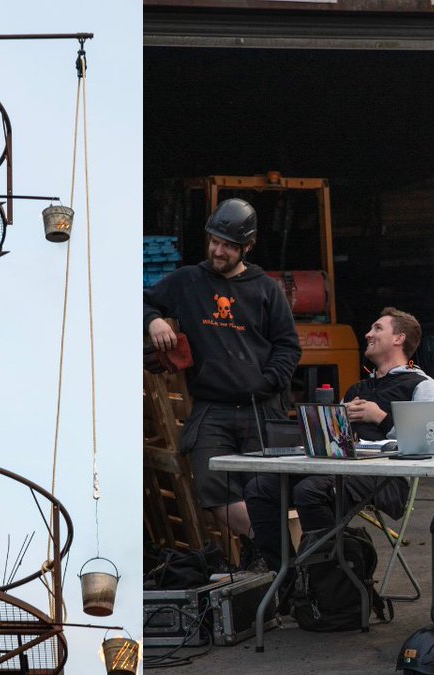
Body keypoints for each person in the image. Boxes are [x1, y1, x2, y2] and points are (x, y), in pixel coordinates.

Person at [143, 198, 301, 561]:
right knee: (211, 489)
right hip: (212, 410)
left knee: (266, 490)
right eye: (214, 241)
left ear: (247, 246)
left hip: (261, 410)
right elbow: (141, 301)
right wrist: (153, 320)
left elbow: (288, 347)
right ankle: (275, 554)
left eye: (227, 245)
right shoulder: (189, 281)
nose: (217, 250)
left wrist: (267, 382)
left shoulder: (266, 290)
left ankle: (270, 562)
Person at [244, 308, 434, 571]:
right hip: (337, 467)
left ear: (399, 338)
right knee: (259, 488)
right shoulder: (357, 388)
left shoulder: (422, 384)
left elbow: (433, 443)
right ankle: (287, 578)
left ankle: (327, 582)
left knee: (310, 491)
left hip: (385, 475)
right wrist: (331, 426)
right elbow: (331, 442)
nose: (368, 334)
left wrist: (380, 418)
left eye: (377, 328)